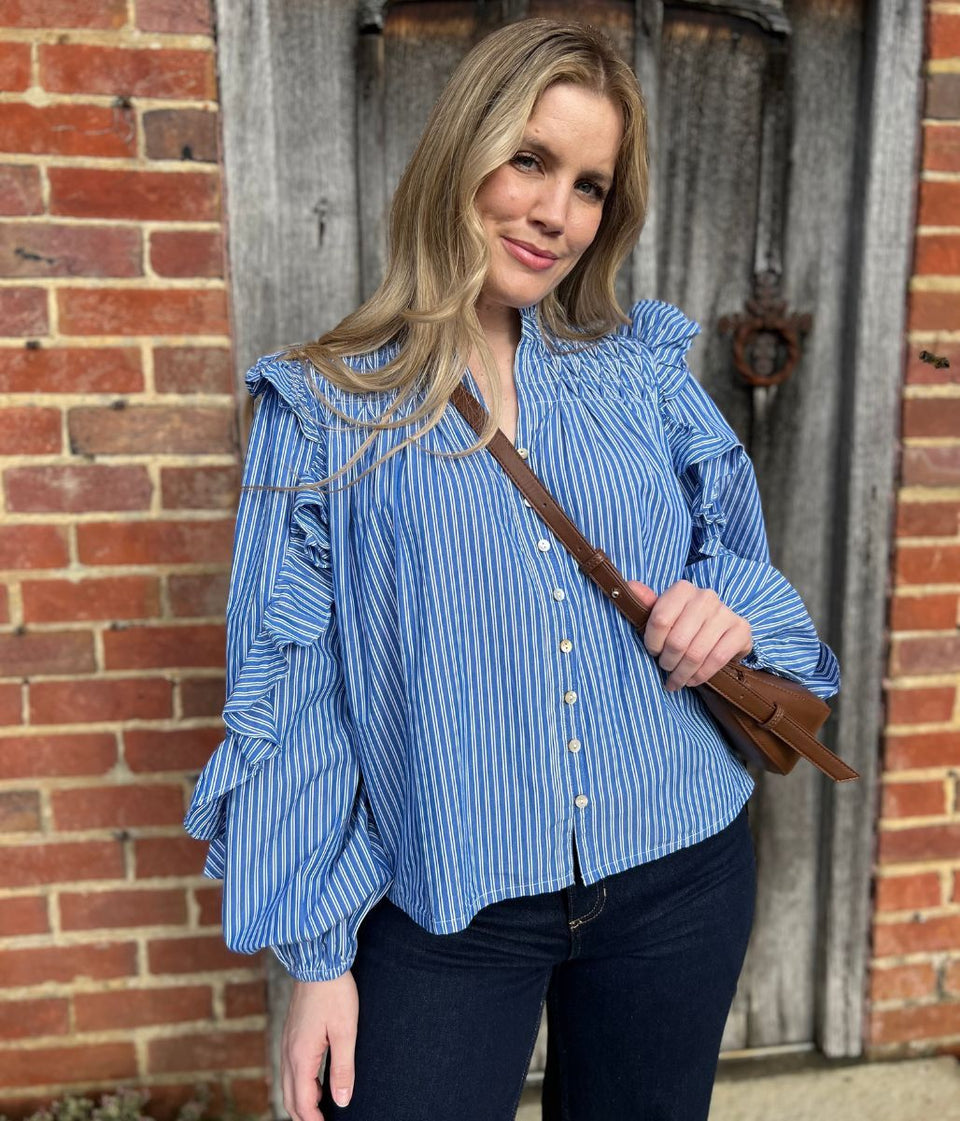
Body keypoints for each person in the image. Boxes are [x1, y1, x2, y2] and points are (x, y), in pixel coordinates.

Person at [183, 16, 840, 1121]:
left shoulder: (640, 382)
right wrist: (315, 954)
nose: (555, 213)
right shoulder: (325, 409)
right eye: (531, 160)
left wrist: (727, 614)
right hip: (445, 911)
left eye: (589, 185)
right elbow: (294, 695)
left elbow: (734, 560)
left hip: (681, 869)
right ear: (462, 153)